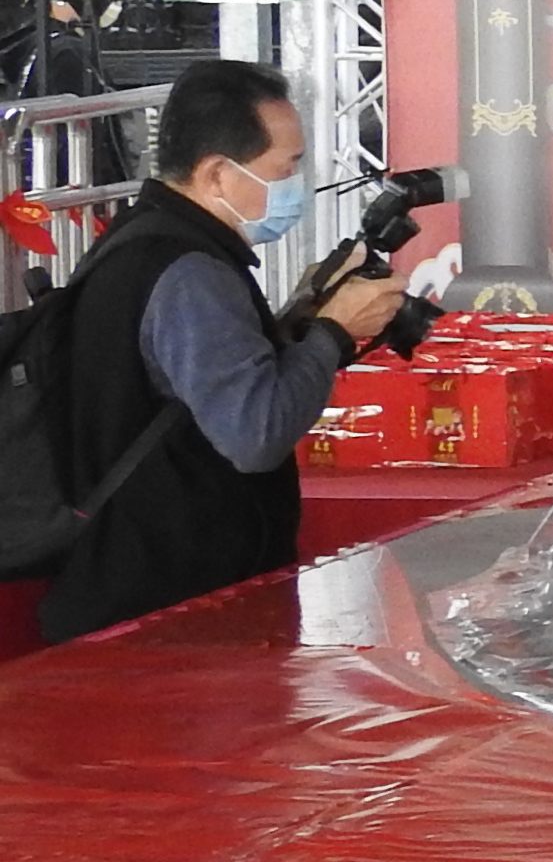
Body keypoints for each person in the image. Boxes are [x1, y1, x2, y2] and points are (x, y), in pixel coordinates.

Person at [30, 58, 413, 644]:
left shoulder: (148, 241)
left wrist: (302, 316)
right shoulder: (189, 275)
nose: (295, 186)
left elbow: (200, 383)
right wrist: (334, 332)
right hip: (168, 611)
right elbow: (255, 431)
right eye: (286, 167)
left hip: (139, 583)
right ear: (215, 174)